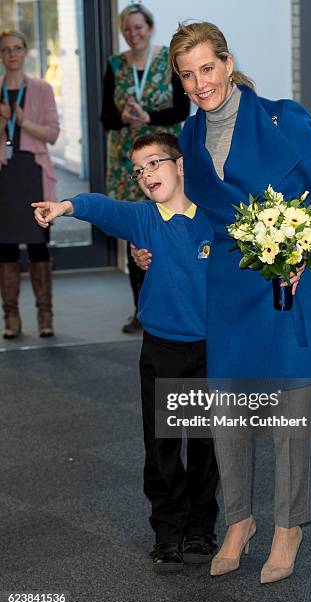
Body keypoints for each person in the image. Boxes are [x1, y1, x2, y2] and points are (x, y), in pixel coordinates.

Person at [133, 21, 311, 582]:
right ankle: (239, 521)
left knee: (289, 412)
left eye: (207, 68)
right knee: (227, 408)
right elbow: (183, 210)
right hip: (227, 284)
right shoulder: (187, 136)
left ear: (227, 64)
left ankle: (288, 526)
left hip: (287, 279)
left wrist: (306, 246)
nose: (200, 82)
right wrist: (150, 248)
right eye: (188, 74)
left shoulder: (284, 117)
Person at [32, 132, 219, 573]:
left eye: (154, 163)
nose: (146, 175)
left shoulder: (215, 217)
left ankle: (201, 529)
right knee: (163, 446)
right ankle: (167, 534)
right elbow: (102, 206)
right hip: (163, 350)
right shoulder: (144, 221)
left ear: (181, 164)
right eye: (138, 170)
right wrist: (63, 207)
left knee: (208, 445)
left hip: (214, 352)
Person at [100, 3, 190, 334]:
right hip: (128, 165)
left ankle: (176, 304)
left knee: (171, 230)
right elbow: (105, 118)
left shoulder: (168, 60)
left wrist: (148, 118)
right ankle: (140, 310)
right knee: (136, 234)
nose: (133, 33)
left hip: (163, 159)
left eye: (138, 27)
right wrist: (124, 118)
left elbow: (182, 108)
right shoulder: (115, 65)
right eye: (127, 29)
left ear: (150, 28)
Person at [0, 29, 59, 339]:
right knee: (5, 248)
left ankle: (45, 315)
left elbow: (52, 134)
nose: (12, 54)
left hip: (33, 174)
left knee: (38, 245)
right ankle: (10, 317)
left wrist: (22, 121)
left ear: (25, 51)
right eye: (6, 49)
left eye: (17, 48)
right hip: (4, 177)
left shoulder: (41, 89)